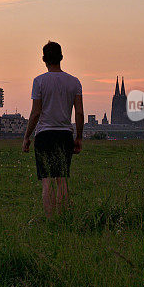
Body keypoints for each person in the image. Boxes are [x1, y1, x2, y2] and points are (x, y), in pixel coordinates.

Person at [22, 41, 83, 218]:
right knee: (62, 179)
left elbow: (35, 113)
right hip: (65, 135)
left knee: (47, 181)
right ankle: (63, 218)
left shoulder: (39, 81)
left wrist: (27, 136)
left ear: (44, 59)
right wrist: (78, 137)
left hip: (44, 135)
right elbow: (79, 112)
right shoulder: (74, 82)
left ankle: (50, 220)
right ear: (61, 57)